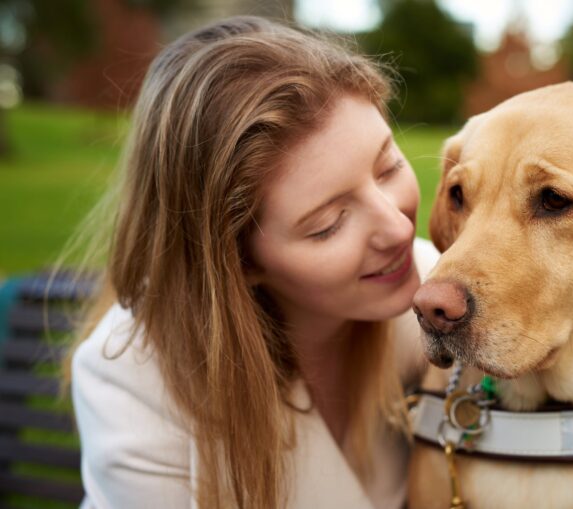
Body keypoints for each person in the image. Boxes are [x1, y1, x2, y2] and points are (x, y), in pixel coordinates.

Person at [66, 15, 439, 509]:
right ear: (236, 262)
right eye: (328, 223)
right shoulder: (135, 388)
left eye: (388, 166)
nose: (397, 228)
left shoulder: (432, 297)